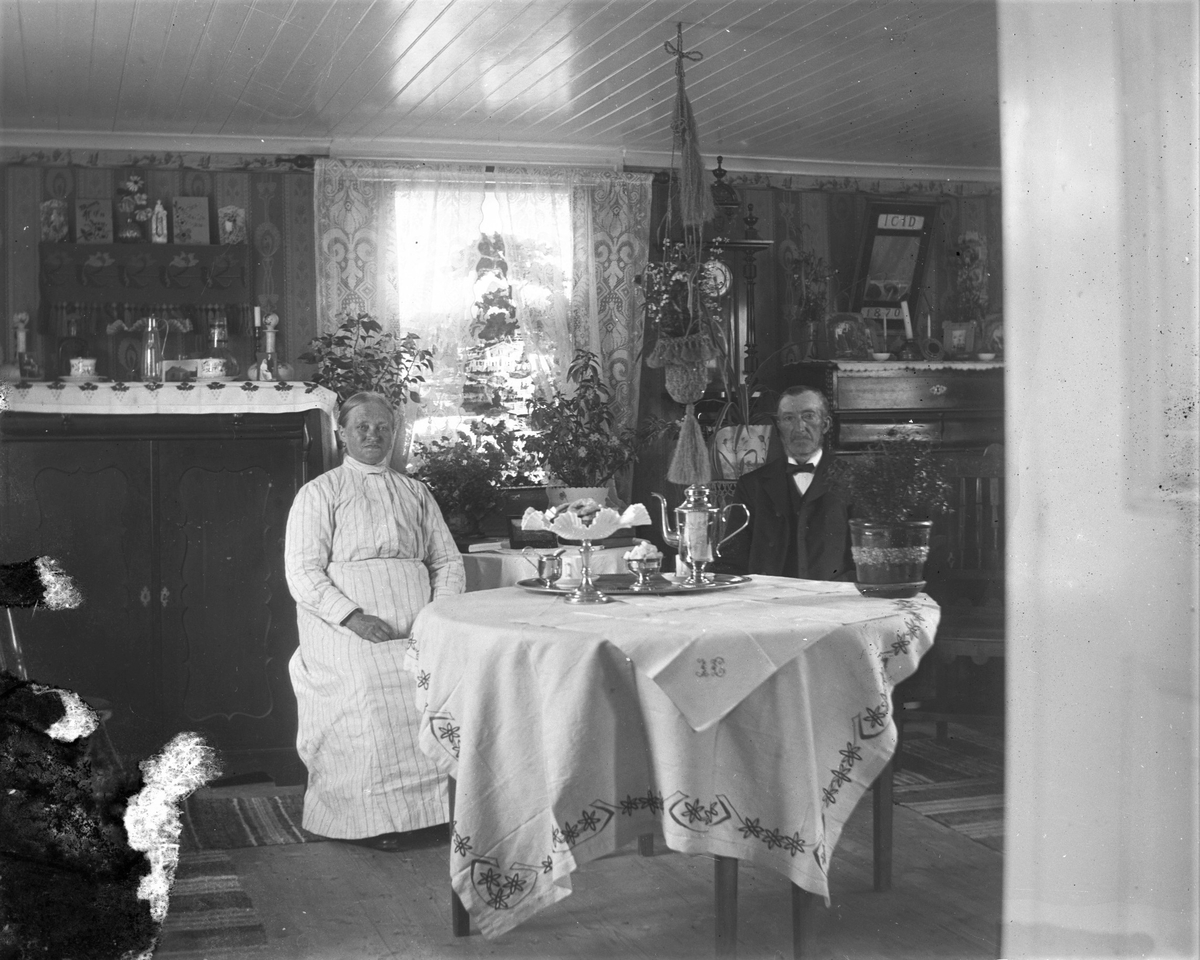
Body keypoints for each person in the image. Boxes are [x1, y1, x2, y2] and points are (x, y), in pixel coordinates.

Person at [284, 392, 465, 851]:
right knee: (367, 696)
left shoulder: (415, 492)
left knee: (431, 694)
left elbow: (446, 560)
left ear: (394, 432)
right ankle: (371, 821)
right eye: (362, 427)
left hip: (418, 624)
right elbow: (302, 571)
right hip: (343, 630)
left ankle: (431, 815)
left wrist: (437, 617)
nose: (373, 435)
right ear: (342, 434)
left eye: (382, 427)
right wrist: (354, 618)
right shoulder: (320, 492)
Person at [720, 385, 854, 580]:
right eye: (789, 418)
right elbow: (731, 561)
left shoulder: (853, 481)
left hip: (832, 603)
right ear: (779, 426)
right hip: (767, 603)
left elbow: (868, 562)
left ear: (825, 425)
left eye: (808, 416)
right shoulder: (751, 485)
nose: (799, 428)